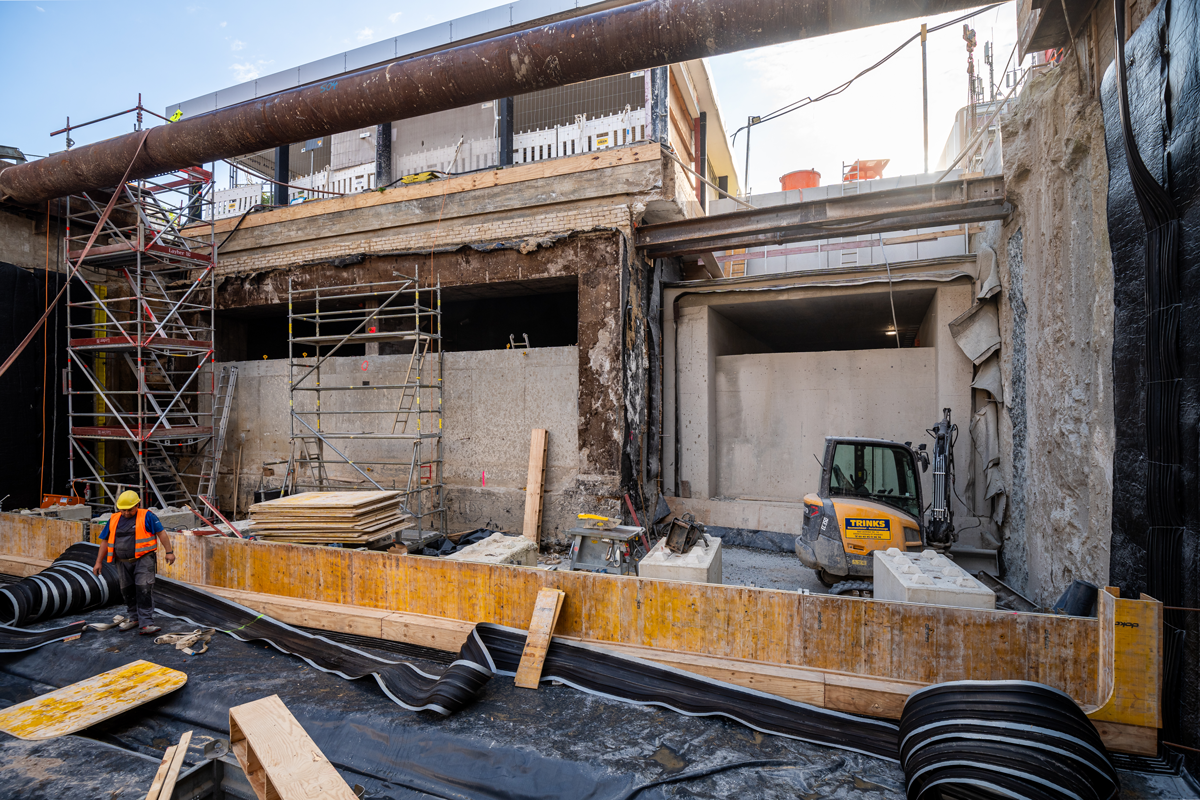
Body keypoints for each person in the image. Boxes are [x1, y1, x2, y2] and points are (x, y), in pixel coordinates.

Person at [92, 490, 176, 634]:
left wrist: (169, 552)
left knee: (143, 589)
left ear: (138, 505)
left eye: (129, 510)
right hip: (122, 562)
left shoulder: (147, 516)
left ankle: (146, 623)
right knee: (127, 591)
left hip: (143, 560)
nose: (125, 513)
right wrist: (98, 562)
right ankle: (134, 618)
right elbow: (105, 541)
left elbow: (161, 533)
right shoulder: (114, 519)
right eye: (122, 510)